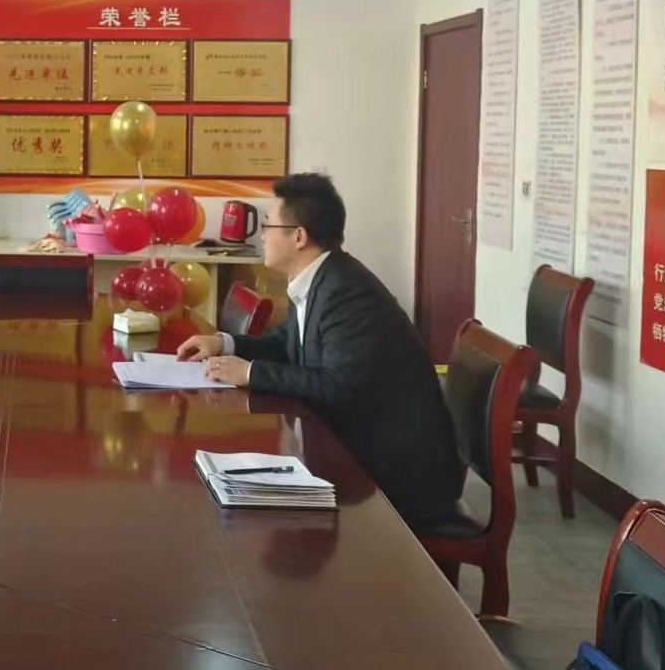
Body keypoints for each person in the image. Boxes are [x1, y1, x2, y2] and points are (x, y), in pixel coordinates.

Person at [176, 173, 463, 528]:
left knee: (250, 513)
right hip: (359, 443)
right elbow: (285, 344)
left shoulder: (346, 292)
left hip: (398, 469)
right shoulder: (322, 277)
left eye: (268, 225)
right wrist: (224, 343)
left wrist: (250, 372)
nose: (262, 235)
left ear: (299, 236)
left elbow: (338, 385)